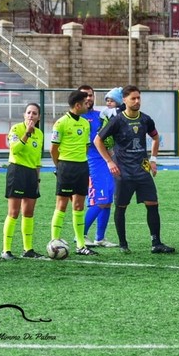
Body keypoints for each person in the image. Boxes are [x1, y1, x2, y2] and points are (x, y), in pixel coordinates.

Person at [95, 85, 175, 254]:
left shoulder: (146, 119)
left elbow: (155, 137)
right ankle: (123, 244)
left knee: (153, 204)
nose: (137, 101)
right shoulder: (117, 120)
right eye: (133, 98)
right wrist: (109, 162)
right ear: (124, 100)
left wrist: (153, 160)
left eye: (139, 98)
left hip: (143, 169)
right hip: (123, 171)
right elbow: (98, 140)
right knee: (122, 206)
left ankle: (156, 243)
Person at [50, 90, 97, 256]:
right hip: (66, 167)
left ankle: (81, 245)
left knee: (79, 205)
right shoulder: (61, 123)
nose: (88, 104)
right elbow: (53, 149)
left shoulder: (85, 124)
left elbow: (85, 146)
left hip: (82, 167)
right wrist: (59, 167)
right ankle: (54, 241)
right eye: (85, 103)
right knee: (61, 205)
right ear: (77, 105)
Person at [1, 103, 45, 259]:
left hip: (31, 174)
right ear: (24, 115)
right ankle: (6, 250)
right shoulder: (16, 129)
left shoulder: (40, 134)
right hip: (17, 171)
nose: (31, 116)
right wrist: (27, 133)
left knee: (28, 212)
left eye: (34, 113)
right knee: (13, 212)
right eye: (28, 113)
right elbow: (15, 149)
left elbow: (37, 159)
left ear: (38, 117)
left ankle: (28, 249)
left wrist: (37, 178)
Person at [79, 84, 118, 248]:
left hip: (108, 161)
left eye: (90, 95)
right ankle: (80, 235)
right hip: (93, 163)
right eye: (85, 96)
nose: (88, 98)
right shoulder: (77, 119)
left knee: (107, 200)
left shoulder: (101, 116)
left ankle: (100, 238)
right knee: (99, 201)